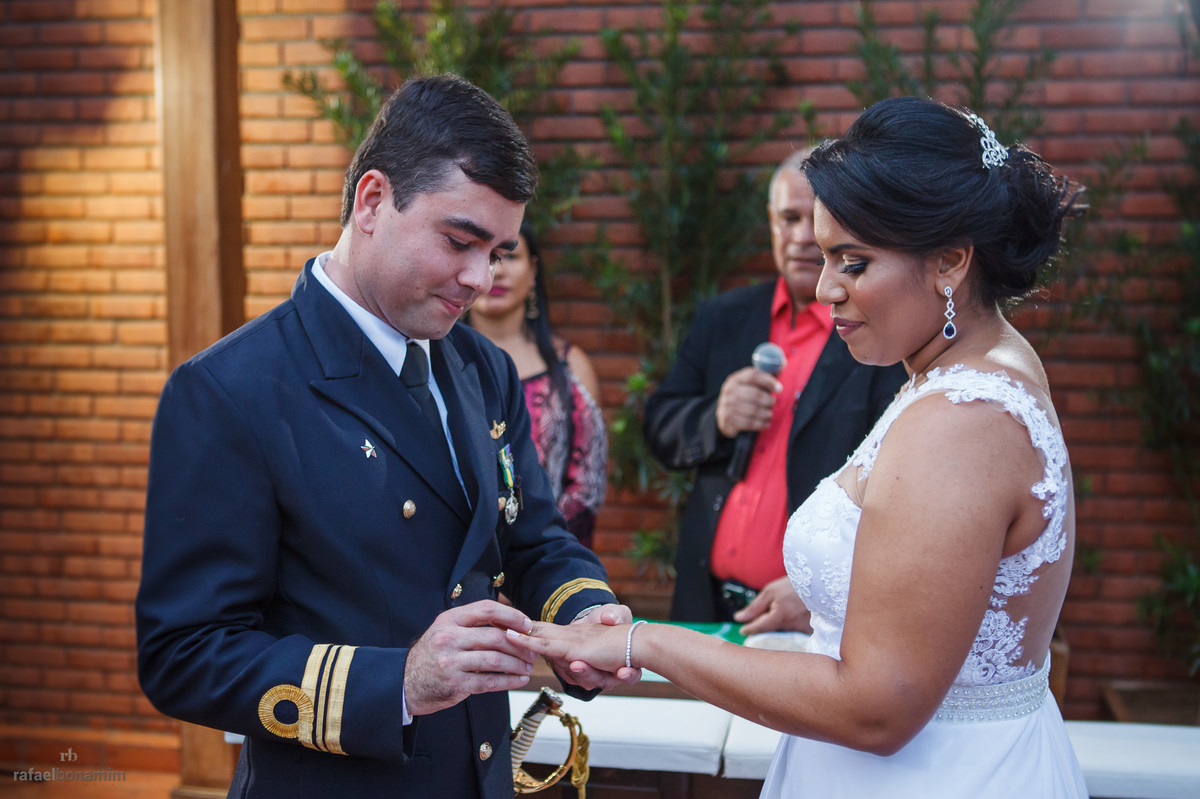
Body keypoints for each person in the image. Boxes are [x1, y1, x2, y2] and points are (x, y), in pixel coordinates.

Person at [509, 96, 1089, 797]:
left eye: (853, 263)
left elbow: (876, 707)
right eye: (824, 258)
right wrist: (827, 599)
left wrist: (644, 641)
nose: (826, 290)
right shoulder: (975, 369)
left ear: (950, 261)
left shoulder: (959, 421)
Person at [135, 75, 634, 799]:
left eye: (497, 251)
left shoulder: (481, 366)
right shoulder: (230, 389)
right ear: (372, 201)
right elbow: (184, 653)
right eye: (460, 240)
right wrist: (397, 680)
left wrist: (584, 613)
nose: (481, 278)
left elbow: (532, 539)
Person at [643, 148, 906, 633]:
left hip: (808, 618)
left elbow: (896, 497)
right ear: (771, 222)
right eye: (790, 218)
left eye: (819, 220)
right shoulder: (723, 318)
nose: (804, 237)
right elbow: (659, 427)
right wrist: (716, 419)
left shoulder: (876, 337)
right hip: (704, 601)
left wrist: (829, 586)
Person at [467, 220, 608, 547]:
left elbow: (586, 490)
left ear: (533, 271)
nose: (497, 271)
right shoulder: (430, 361)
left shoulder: (569, 368)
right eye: (484, 255)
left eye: (510, 257)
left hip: (548, 565)